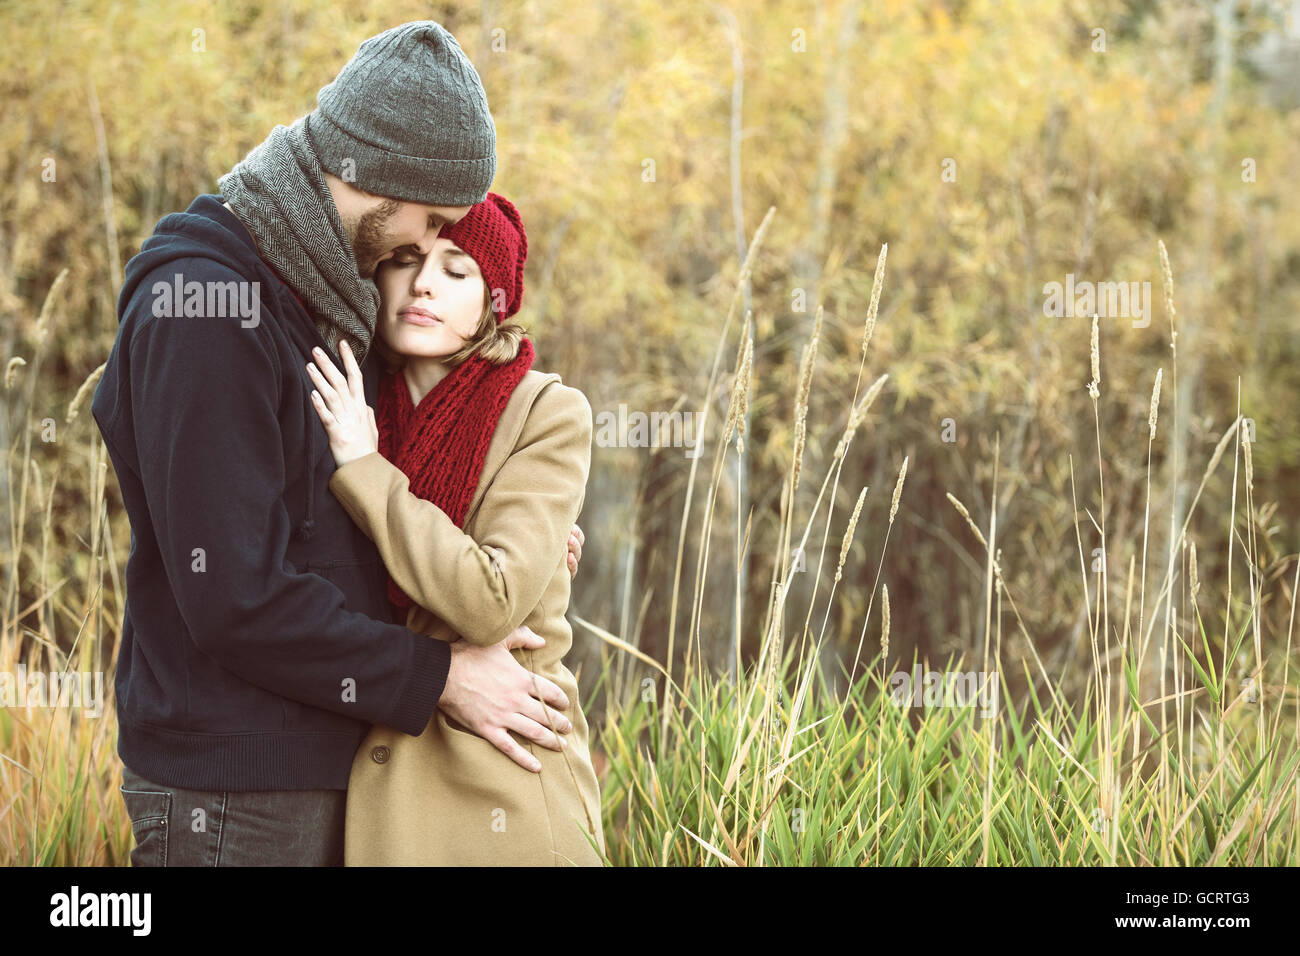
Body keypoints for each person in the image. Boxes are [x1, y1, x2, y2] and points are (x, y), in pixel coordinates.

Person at [91, 20, 583, 867]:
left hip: (308, 774)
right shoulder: (204, 307)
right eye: (429, 221)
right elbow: (237, 594)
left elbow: (329, 512)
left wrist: (514, 541)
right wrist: (440, 678)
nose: (426, 250)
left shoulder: (307, 297)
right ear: (372, 174)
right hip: (232, 792)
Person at [306, 192, 605, 866]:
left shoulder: (545, 412)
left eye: (457, 269)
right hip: (368, 793)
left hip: (502, 787)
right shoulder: (347, 395)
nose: (422, 285)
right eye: (405, 260)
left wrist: (365, 467)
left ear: (493, 301)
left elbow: (490, 599)